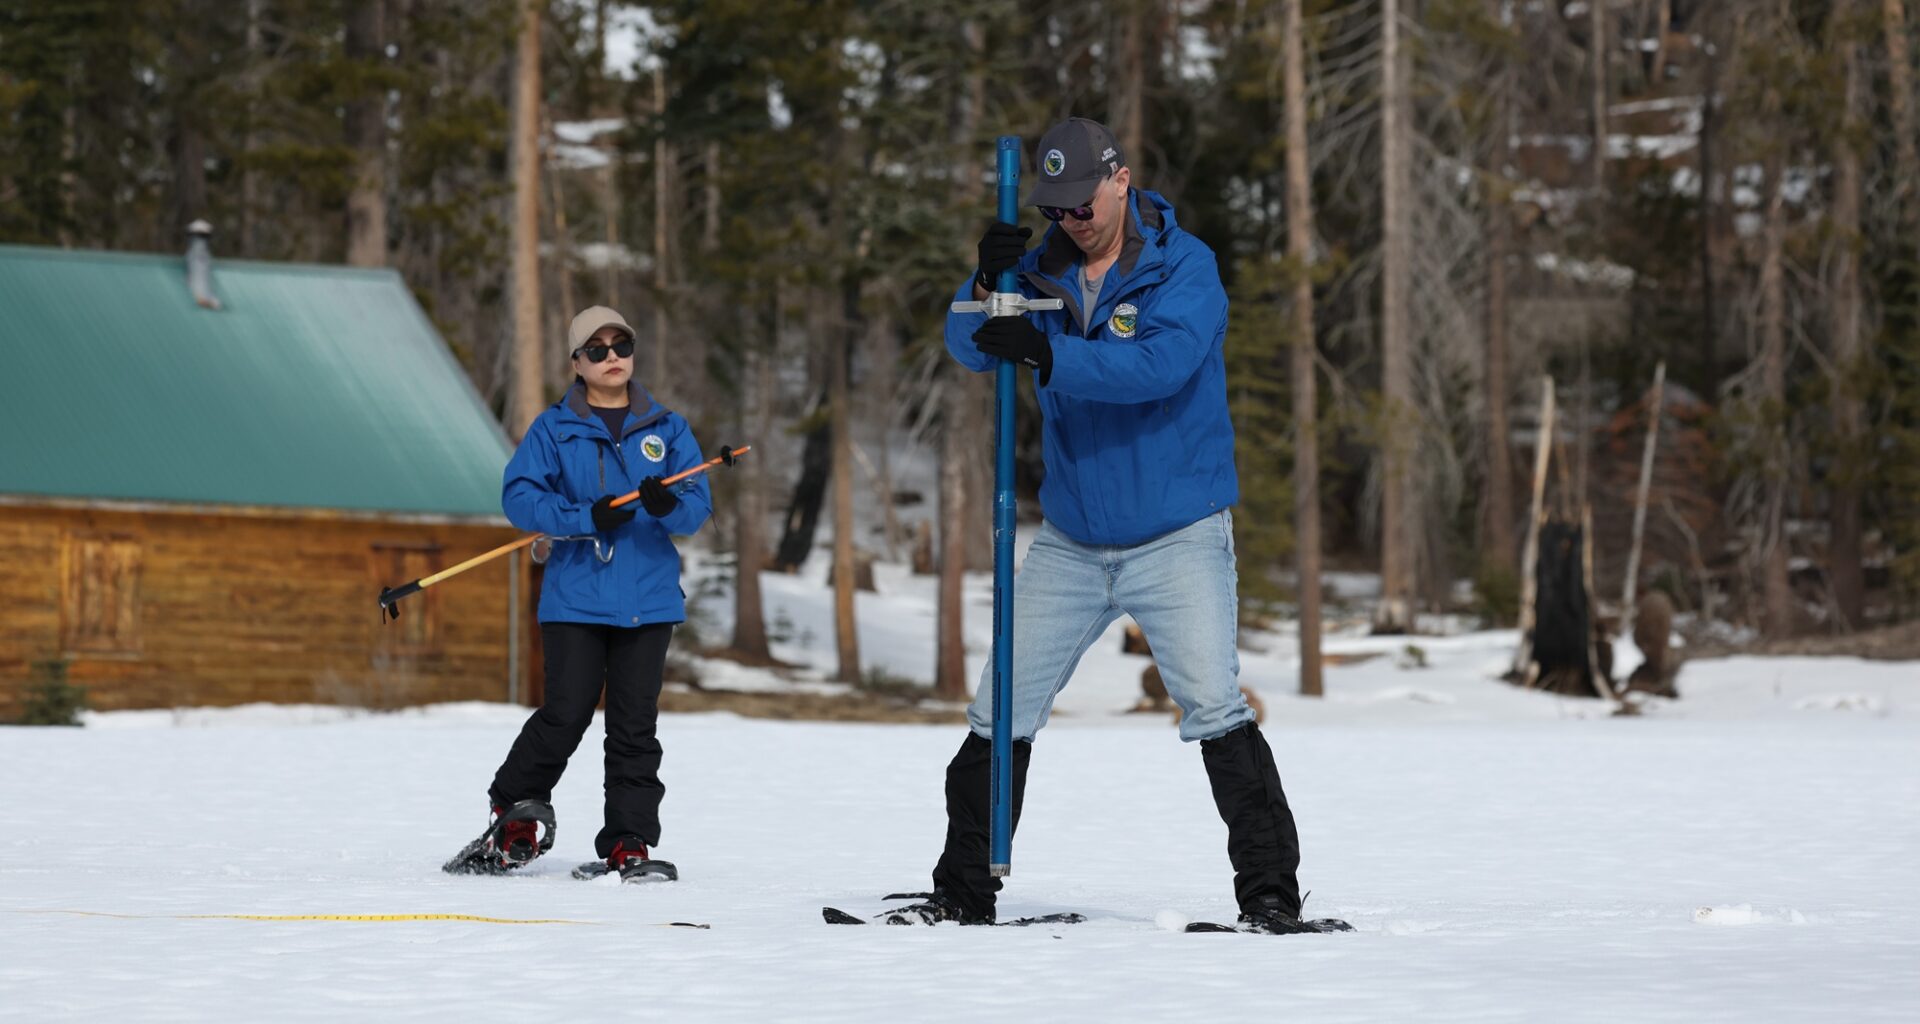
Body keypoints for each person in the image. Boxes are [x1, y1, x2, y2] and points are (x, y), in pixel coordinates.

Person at [901, 118, 1344, 933]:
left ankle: (1270, 894)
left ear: (1121, 179)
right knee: (1001, 709)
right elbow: (968, 344)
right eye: (1056, 208)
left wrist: (1047, 354)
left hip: (1177, 532)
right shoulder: (1039, 269)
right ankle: (964, 889)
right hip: (1073, 539)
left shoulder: (1186, 266)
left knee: (1215, 706)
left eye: (1083, 202)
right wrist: (984, 277)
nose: (1072, 220)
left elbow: (1158, 368)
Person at [443, 305, 711, 883]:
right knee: (566, 713)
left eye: (621, 345)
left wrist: (670, 506)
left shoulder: (667, 428)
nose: (612, 357)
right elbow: (520, 499)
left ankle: (629, 842)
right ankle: (513, 809)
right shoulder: (553, 429)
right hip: (576, 599)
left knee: (635, 727)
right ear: (577, 362)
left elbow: (696, 509)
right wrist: (582, 517)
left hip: (649, 601)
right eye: (597, 349)